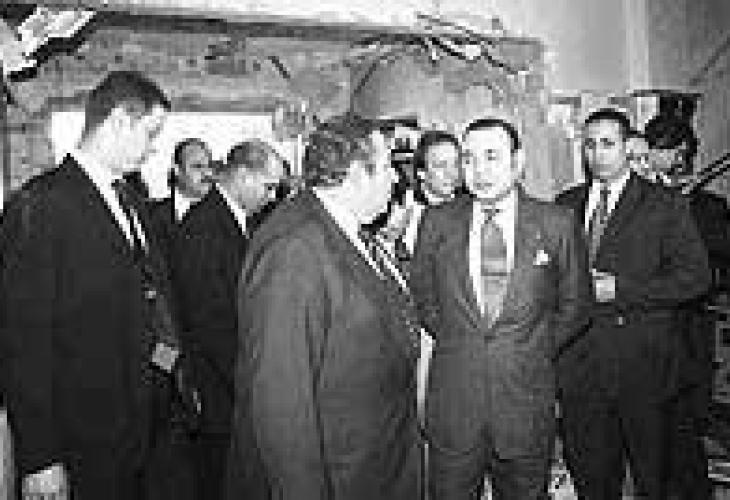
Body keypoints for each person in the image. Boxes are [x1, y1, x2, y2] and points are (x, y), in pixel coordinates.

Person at [0, 70, 198, 498]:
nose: (153, 148)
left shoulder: (130, 201)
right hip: (84, 437)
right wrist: (40, 458)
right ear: (118, 121)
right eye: (150, 133)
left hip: (142, 427)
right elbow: (23, 342)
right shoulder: (43, 204)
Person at [226, 115, 422, 499]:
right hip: (340, 476)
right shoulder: (293, 250)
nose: (396, 179)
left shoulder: (347, 230)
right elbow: (282, 405)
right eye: (386, 167)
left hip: (373, 465)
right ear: (355, 174)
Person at [410, 117, 590, 499]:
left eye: (492, 156)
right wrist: (462, 340)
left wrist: (531, 348)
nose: (480, 170)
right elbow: (424, 299)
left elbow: (576, 307)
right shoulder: (437, 221)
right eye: (469, 159)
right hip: (456, 406)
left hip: (524, 405)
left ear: (518, 161)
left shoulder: (556, 223)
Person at [556, 108, 711, 499]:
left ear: (628, 147)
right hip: (581, 368)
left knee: (652, 477)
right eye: (589, 144)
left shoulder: (663, 204)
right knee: (591, 476)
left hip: (642, 366)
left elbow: (695, 278)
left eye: (608, 144)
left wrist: (622, 290)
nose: (597, 154)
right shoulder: (565, 204)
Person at [173, 139, 286, 499]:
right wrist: (249, 383)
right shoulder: (204, 227)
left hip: (229, 383)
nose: (271, 197)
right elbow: (210, 322)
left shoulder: (235, 220)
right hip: (217, 390)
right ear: (243, 175)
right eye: (268, 186)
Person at [645, 115, 730, 500]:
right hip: (643, 334)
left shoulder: (708, 206)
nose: (675, 159)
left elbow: (713, 269)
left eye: (679, 151)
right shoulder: (639, 201)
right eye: (660, 148)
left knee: (685, 428)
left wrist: (683, 209)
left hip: (688, 332)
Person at [148, 138, 213, 262]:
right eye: (197, 167)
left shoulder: (223, 216)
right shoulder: (150, 215)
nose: (207, 174)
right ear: (177, 170)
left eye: (209, 166)